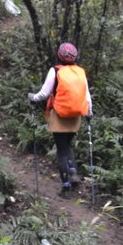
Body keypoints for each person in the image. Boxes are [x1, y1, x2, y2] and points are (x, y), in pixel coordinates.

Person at [27, 42, 93, 197]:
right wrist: (89, 112)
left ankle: (66, 187)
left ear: (59, 56)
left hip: (60, 115)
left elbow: (43, 94)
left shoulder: (55, 70)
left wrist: (32, 97)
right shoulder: (80, 72)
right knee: (67, 145)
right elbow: (87, 95)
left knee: (61, 150)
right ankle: (73, 172)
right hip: (76, 115)